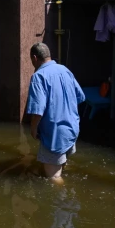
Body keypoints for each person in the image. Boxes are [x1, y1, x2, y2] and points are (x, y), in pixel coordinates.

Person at [26, 43, 85, 183]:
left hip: (55, 135)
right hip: (72, 129)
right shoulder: (65, 70)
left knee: (53, 178)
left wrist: (33, 129)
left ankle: (66, 199)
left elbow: (38, 111)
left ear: (34, 58)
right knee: (61, 165)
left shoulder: (38, 77)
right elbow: (80, 96)